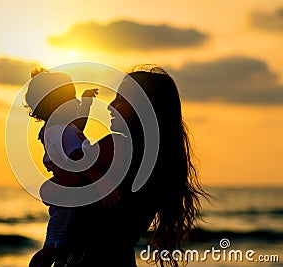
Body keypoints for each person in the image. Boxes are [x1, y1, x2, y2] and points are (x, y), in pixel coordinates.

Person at [54, 66, 208, 267]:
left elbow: (62, 176)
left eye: (121, 99)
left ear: (144, 109)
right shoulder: (160, 164)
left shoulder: (113, 147)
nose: (110, 105)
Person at [25, 68, 121, 267]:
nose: (76, 103)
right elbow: (78, 160)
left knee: (57, 243)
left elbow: (79, 127)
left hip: (68, 192)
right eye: (72, 99)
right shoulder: (61, 131)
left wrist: (86, 104)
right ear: (55, 106)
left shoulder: (59, 128)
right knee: (53, 246)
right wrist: (102, 183)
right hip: (67, 198)